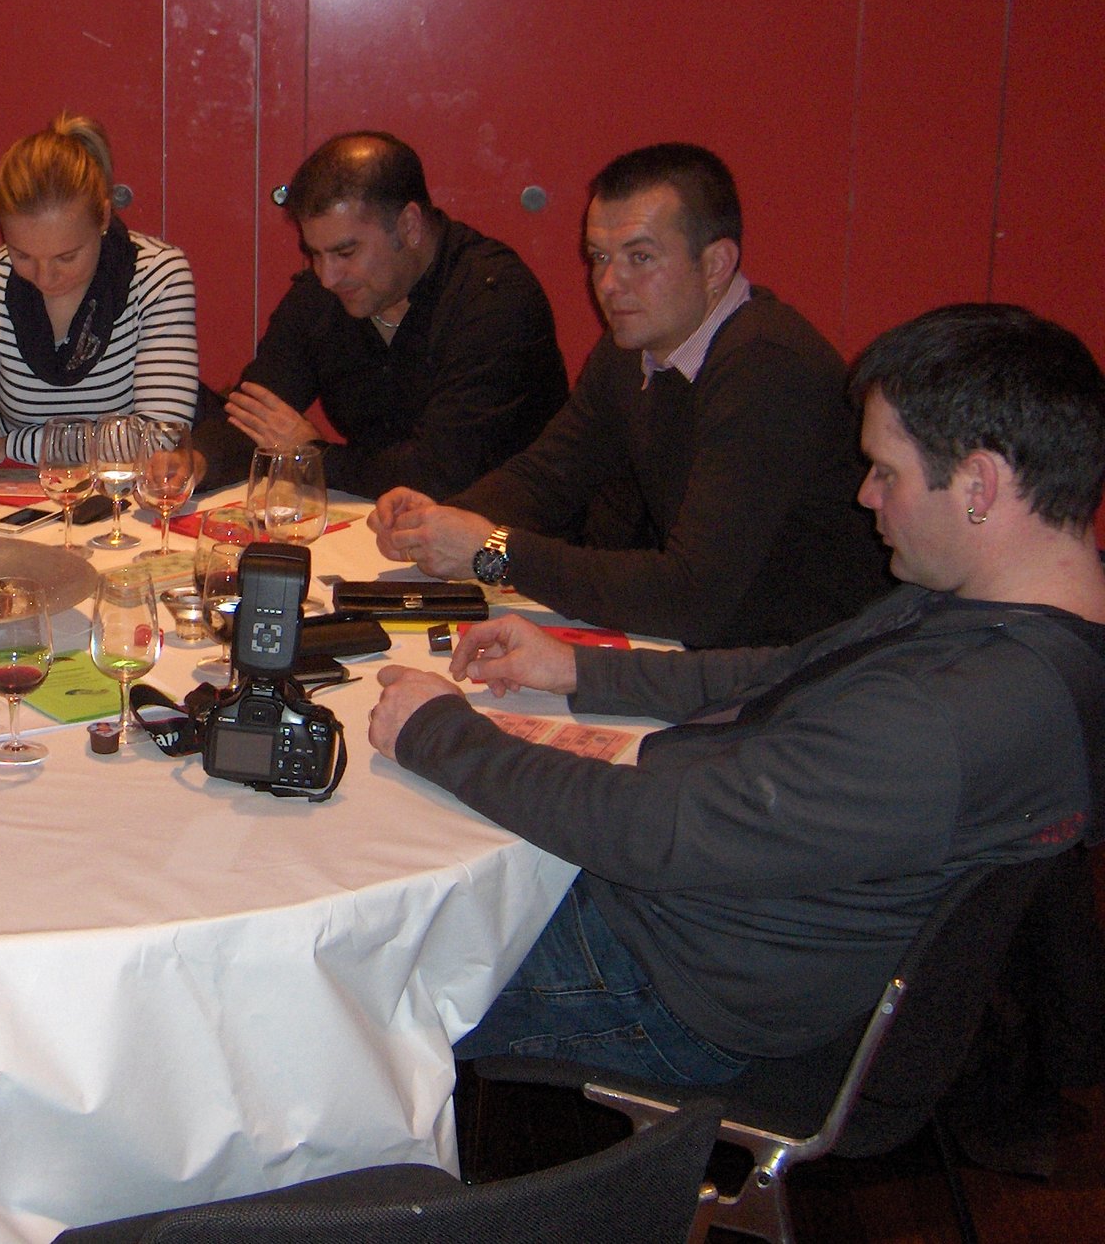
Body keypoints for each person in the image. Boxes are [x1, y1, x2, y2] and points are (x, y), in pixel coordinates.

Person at [364, 303, 1105, 1085]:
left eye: (887, 472)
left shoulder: (948, 716)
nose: (865, 496)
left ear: (979, 484)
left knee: (352, 981)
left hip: (671, 977)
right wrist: (580, 670)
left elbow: (658, 831)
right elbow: (792, 671)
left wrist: (438, 733)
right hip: (719, 910)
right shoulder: (1004, 615)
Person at [369, 142, 888, 647]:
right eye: (599, 257)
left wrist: (492, 552)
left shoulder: (768, 369)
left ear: (715, 265)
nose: (609, 283)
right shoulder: (634, 346)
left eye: (640, 257)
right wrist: (436, 521)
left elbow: (692, 597)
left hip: (814, 660)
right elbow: (550, 475)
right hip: (715, 646)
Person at [188, 131, 566, 499]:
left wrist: (313, 457)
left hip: (500, 525)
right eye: (315, 254)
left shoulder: (494, 299)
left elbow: (441, 474)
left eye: (346, 253)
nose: (327, 276)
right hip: (385, 520)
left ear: (409, 226)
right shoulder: (322, 295)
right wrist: (197, 461)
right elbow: (255, 414)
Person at [0, 113, 199, 496]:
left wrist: (18, 445)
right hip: (19, 497)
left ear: (102, 216)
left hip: (120, 500)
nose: (45, 278)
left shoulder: (157, 275)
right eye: (22, 255)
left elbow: (160, 438)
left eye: (67, 257)